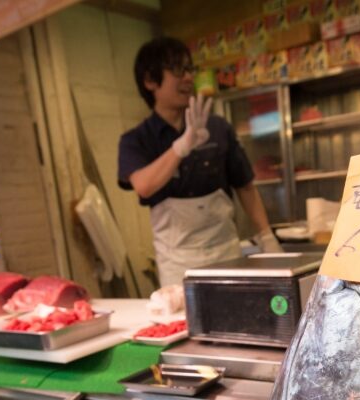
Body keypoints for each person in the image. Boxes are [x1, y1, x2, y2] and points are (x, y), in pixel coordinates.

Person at [118, 37, 283, 288]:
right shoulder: (136, 140)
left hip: (227, 254)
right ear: (150, 81)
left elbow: (245, 187)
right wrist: (181, 147)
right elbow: (143, 185)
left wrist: (266, 236)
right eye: (177, 70)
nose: (187, 77)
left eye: (189, 69)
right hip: (178, 265)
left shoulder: (217, 127)